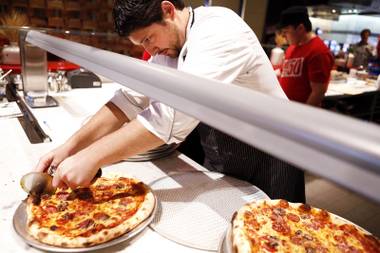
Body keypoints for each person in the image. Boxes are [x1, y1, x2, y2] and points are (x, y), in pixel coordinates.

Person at [35, 0, 305, 202]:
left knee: (274, 236)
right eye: (141, 44)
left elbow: (171, 115)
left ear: (167, 10)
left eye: (148, 38)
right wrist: (70, 148)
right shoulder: (168, 47)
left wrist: (91, 158)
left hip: (271, 152)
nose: (148, 50)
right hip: (225, 147)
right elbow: (130, 99)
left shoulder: (219, 30)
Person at [278, 6, 334, 107]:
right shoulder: (292, 47)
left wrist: (302, 115)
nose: (283, 36)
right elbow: (284, 73)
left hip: (299, 114)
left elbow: (318, 92)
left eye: (286, 31)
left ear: (300, 28)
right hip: (285, 108)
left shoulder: (318, 52)